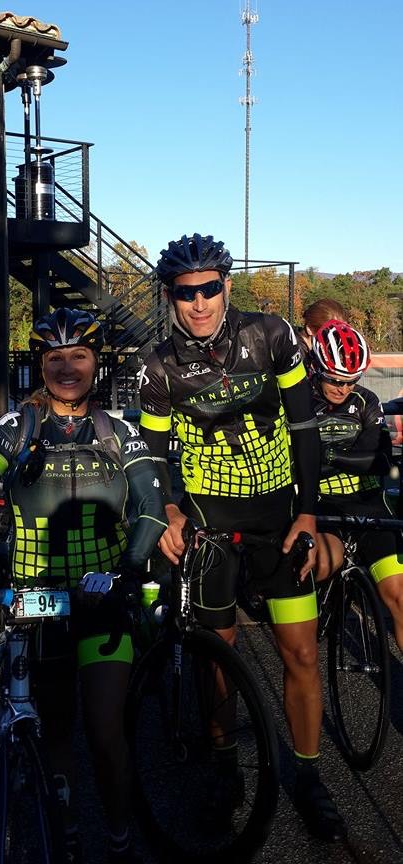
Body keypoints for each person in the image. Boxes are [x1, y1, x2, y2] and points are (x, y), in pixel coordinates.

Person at [138, 234, 346, 842]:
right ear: (171, 296)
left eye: (209, 288)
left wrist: (307, 514)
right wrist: (169, 511)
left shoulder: (273, 334)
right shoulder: (158, 364)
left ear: (227, 286)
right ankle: (224, 763)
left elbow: (305, 424)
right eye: (185, 292)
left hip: (278, 519)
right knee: (217, 660)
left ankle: (307, 775)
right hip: (210, 519)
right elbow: (151, 455)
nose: (198, 302)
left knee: (302, 653)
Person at [0, 307, 167, 863]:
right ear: (41, 366)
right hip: (35, 602)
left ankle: (118, 835)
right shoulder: (18, 426)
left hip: (101, 599)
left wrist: (129, 571)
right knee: (57, 729)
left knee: (105, 729)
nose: (67, 367)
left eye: (80, 355)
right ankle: (62, 830)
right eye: (54, 357)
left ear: (96, 363)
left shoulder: (119, 431)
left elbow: (151, 508)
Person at [311, 320, 403, 649]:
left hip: (366, 501)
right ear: (317, 367)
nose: (343, 388)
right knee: (323, 565)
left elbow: (377, 460)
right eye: (335, 379)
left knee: (400, 598)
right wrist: (348, 455)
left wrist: (325, 455)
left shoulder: (366, 400)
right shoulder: (297, 399)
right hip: (321, 503)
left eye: (351, 380)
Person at [297, 298, 348, 373]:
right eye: (331, 333)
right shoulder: (296, 354)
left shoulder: (313, 348)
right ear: (310, 329)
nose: (338, 338)